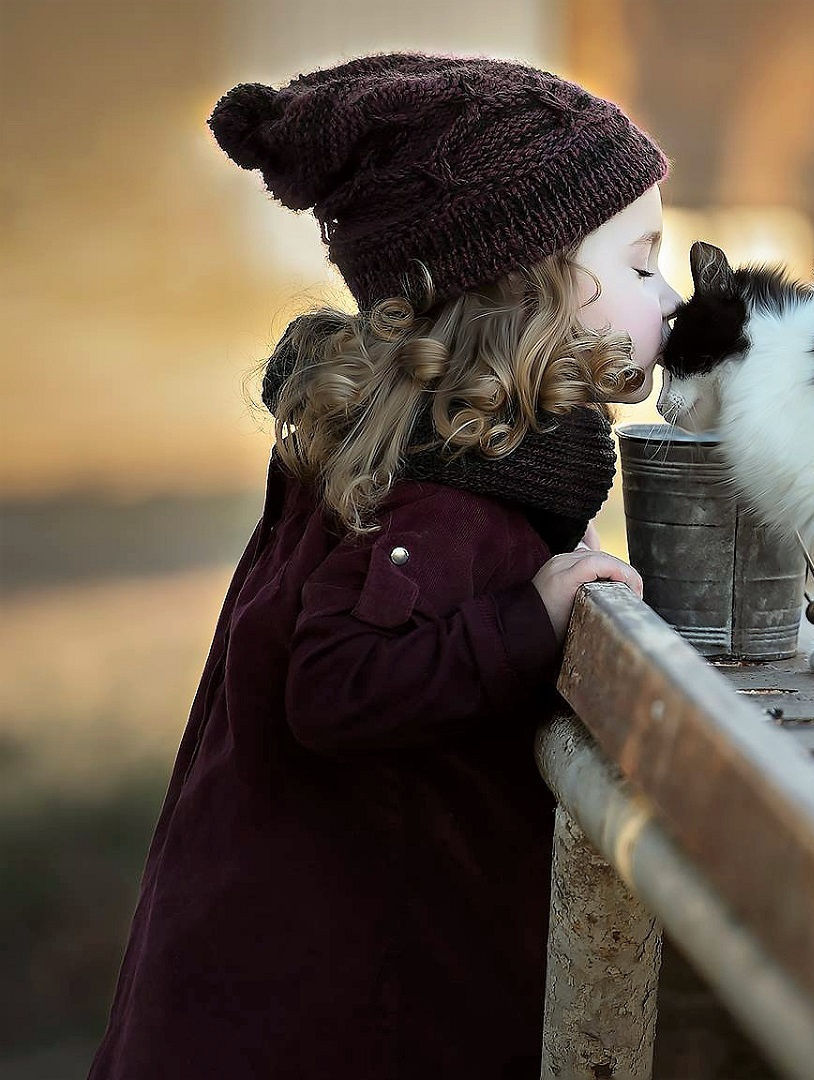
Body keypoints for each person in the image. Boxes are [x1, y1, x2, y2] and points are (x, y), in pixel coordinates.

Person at [89, 53, 678, 1078]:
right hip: (332, 1009)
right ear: (527, 284)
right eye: (640, 263)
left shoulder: (437, 454)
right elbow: (337, 683)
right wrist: (529, 621)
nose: (668, 295)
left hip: (286, 971)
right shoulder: (441, 488)